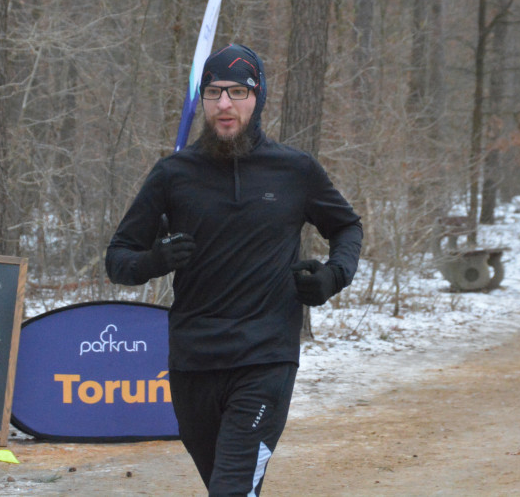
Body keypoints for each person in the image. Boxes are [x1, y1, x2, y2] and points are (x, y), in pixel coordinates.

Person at [106, 44, 363, 495]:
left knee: (231, 488)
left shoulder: (295, 170)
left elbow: (347, 227)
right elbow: (118, 259)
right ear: (202, 100)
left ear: (257, 97)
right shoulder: (173, 174)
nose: (224, 104)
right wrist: (154, 261)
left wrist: (332, 276)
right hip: (193, 363)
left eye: (237, 92)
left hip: (266, 358)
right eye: (214, 92)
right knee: (228, 486)